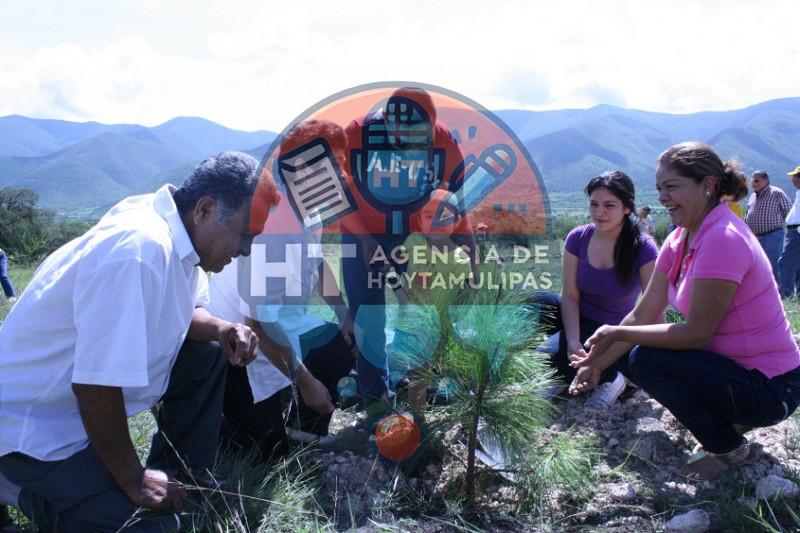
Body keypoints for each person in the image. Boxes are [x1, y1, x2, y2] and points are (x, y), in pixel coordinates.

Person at [0, 151, 279, 531]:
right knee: (150, 527)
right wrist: (133, 479)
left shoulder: (179, 238)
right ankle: (17, 488)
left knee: (207, 353)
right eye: (245, 235)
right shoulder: (138, 251)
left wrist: (219, 328)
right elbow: (95, 385)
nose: (246, 249)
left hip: (71, 412)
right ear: (205, 209)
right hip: (29, 431)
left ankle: (182, 481)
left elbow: (183, 311)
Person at [572, 142, 800, 478]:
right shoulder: (680, 238)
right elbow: (643, 313)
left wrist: (618, 333)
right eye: (659, 188)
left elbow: (696, 333)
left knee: (645, 357)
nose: (663, 197)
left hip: (772, 389)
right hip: (732, 373)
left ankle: (730, 450)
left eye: (672, 186)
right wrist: (596, 362)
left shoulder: (723, 237)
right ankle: (726, 422)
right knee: (628, 348)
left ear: (707, 185)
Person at [209, 121, 357, 462]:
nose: (340, 174)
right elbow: (258, 324)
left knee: (339, 343)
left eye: (339, 164)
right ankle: (222, 418)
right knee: (264, 456)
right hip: (240, 349)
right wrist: (307, 383)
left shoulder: (309, 211)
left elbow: (318, 265)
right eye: (331, 165)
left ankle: (304, 426)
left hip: (281, 327)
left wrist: (344, 314)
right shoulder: (272, 225)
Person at [338, 87, 470, 414]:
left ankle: (421, 393)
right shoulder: (356, 134)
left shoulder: (445, 144)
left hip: (415, 235)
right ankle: (376, 403)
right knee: (368, 315)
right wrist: (367, 241)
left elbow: (455, 207)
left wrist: (471, 261)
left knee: (423, 314)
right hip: (360, 234)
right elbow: (337, 198)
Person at [533, 171, 658, 407]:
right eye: (594, 204)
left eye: (609, 205)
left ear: (627, 208)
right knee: (534, 301)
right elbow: (569, 294)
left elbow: (650, 313)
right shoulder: (577, 238)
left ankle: (614, 378)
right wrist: (572, 342)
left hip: (612, 329)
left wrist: (584, 344)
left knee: (555, 359)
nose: (599, 212)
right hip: (575, 315)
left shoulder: (643, 248)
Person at [745, 170, 790, 282]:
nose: (754, 183)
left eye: (757, 181)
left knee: (772, 265)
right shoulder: (752, 196)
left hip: (772, 236)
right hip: (754, 238)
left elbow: (789, 212)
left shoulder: (776, 193)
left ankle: (776, 294)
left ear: (765, 180)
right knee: (757, 266)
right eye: (752, 181)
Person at [777, 165, 800, 298]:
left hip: (797, 233)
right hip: (794, 232)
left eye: (795, 177)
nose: (793, 179)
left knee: (784, 264)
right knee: (797, 267)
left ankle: (787, 296)